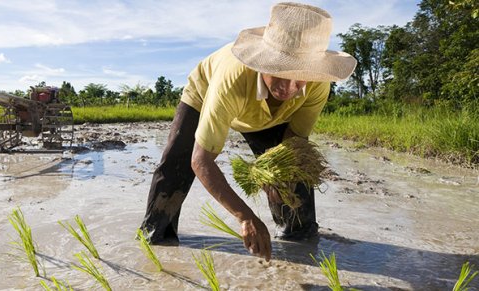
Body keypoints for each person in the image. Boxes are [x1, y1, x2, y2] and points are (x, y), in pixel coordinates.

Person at [139, 2, 356, 261]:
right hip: (204, 93)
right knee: (176, 166)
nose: (288, 87)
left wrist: (277, 176)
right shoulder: (231, 78)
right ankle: (155, 239)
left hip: (271, 117)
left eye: (300, 77)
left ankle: (298, 244)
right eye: (279, 72)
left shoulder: (318, 85)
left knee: (293, 175)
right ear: (263, 61)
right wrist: (245, 216)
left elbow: (294, 141)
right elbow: (201, 160)